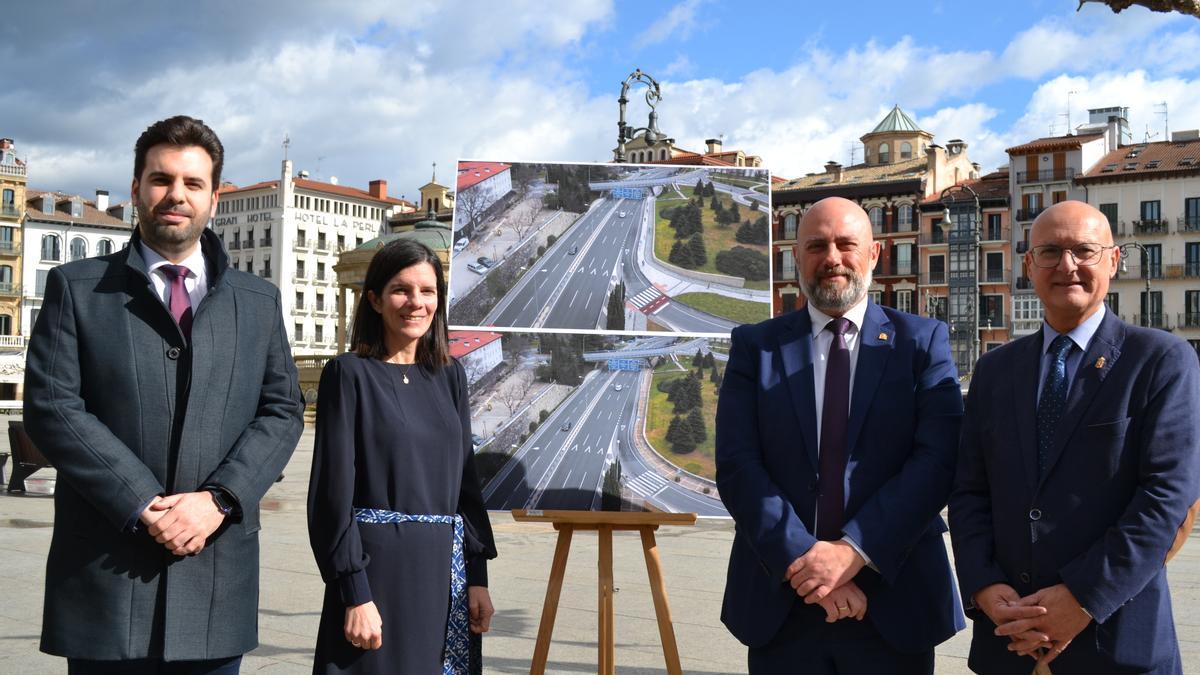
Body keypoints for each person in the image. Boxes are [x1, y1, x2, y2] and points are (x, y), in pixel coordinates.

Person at [23, 115, 304, 673]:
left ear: (214, 198)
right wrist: (142, 502)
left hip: (215, 579)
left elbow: (282, 410)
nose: (176, 195)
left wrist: (218, 500)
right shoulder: (77, 289)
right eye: (161, 180)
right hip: (106, 582)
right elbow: (53, 406)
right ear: (135, 190)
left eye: (193, 183)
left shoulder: (258, 301)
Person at [716, 196, 965, 674]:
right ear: (797, 257)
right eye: (816, 245)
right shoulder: (756, 346)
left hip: (894, 598)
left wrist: (852, 554)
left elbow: (937, 462)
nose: (832, 258)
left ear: (874, 254)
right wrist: (806, 562)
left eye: (846, 244)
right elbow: (737, 464)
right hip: (783, 598)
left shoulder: (922, 342)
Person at [949, 200, 1200, 674]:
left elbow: (1168, 498)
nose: (1067, 266)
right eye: (1050, 252)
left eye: (1084, 250)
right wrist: (983, 584)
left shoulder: (1160, 360)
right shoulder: (995, 370)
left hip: (1116, 641)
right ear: (1028, 265)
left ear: (1113, 259)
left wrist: (1083, 597)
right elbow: (969, 491)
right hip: (1007, 640)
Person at [307, 239, 498, 674]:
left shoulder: (451, 375)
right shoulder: (348, 374)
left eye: (427, 291)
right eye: (401, 290)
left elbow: (466, 491)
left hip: (444, 579)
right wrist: (353, 592)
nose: (416, 303)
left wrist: (477, 579)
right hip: (377, 578)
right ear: (374, 299)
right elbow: (330, 499)